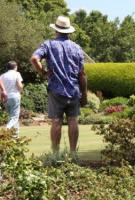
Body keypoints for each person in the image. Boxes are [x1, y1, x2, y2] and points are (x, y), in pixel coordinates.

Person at [30, 16, 87, 155]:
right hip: (74, 89)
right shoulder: (77, 48)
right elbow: (82, 74)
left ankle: (55, 154)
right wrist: (84, 94)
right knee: (73, 121)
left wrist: (43, 72)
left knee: (56, 121)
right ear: (69, 31)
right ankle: (73, 154)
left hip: (56, 89)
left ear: (56, 30)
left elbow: (34, 58)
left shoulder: (48, 45)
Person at [0, 61, 23, 138]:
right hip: (14, 96)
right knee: (14, 117)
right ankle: (7, 129)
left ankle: (15, 136)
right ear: (15, 67)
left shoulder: (2, 76)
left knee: (11, 117)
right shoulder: (17, 74)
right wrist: (21, 89)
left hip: (5, 98)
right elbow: (19, 86)